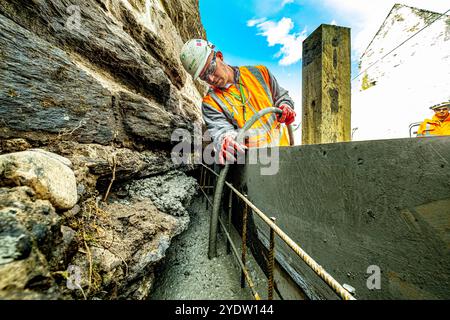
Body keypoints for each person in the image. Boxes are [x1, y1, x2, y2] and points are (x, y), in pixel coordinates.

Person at [180, 39, 296, 164]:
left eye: (210, 69)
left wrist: (285, 105)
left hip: (285, 152)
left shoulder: (259, 73)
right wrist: (226, 140)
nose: (211, 78)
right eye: (204, 77)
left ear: (219, 56)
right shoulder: (210, 103)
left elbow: (281, 96)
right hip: (256, 165)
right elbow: (221, 131)